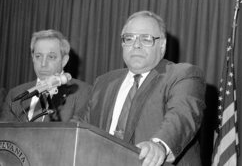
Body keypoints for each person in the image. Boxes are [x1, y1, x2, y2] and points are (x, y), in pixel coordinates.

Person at [85, 11, 206, 166]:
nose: (136, 45)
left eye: (146, 39)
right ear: (122, 44)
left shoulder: (182, 75)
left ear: (162, 45)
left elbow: (182, 115)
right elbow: (82, 127)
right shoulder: (103, 82)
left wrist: (159, 145)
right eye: (129, 38)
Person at [0, 29, 91, 122]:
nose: (43, 64)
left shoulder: (83, 92)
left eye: (51, 57)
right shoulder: (15, 95)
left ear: (64, 61)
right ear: (33, 58)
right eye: (38, 56)